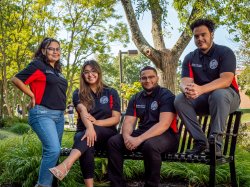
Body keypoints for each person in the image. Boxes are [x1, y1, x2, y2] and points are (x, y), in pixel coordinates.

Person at [174, 18, 240, 156]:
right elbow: (184, 81)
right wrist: (188, 89)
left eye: (203, 34)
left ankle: (215, 145)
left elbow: (226, 80)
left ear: (212, 34)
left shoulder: (225, 52)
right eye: (196, 36)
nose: (200, 38)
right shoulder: (190, 58)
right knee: (180, 99)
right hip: (204, 100)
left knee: (218, 94)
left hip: (228, 98)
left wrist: (201, 89)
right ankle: (200, 142)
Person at [49, 60, 121, 187]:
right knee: (84, 139)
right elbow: (82, 110)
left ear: (98, 73)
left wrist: (96, 123)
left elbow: (116, 119)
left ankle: (66, 164)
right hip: (84, 132)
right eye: (86, 72)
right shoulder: (78, 93)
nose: (90, 74)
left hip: (107, 133)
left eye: (93, 71)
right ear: (83, 75)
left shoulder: (111, 92)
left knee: (86, 137)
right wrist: (90, 127)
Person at [108, 66, 178, 187]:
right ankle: (117, 184)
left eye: (151, 77)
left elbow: (164, 124)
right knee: (114, 142)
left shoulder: (166, 96)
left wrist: (138, 139)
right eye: (144, 78)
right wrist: (126, 138)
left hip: (167, 135)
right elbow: (129, 122)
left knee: (150, 145)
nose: (147, 80)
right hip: (142, 134)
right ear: (140, 80)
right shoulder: (136, 98)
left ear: (157, 78)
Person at [11, 37, 68, 187]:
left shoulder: (57, 71)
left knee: (52, 154)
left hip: (59, 116)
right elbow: (16, 79)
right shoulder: (38, 65)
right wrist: (31, 95)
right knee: (54, 150)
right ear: (43, 50)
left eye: (57, 49)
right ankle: (42, 185)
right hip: (43, 114)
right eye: (51, 48)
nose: (55, 52)